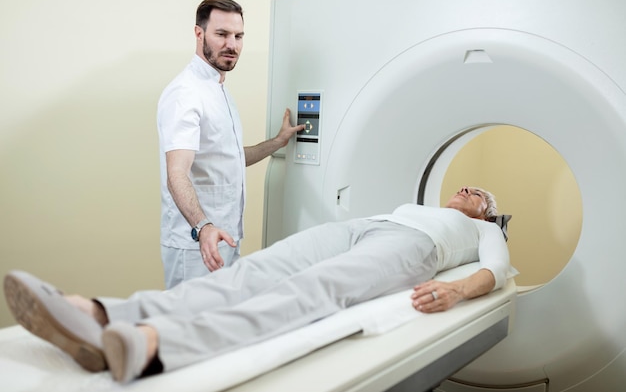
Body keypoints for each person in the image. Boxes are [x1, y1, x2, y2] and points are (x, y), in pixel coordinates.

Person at [4, 186, 513, 384]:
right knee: (253, 271)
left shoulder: (485, 230)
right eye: (465, 185)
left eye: (479, 194)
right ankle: (102, 315)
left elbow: (496, 272)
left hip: (411, 250)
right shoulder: (415, 203)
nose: (467, 190)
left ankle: (157, 347)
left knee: (313, 288)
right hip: (365, 226)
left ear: (488, 213)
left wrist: (458, 290)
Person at [157, 0, 304, 288]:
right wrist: (204, 227)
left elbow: (229, 157)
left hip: (224, 237)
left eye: (238, 36)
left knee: (219, 327)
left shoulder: (219, 89)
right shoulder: (186, 94)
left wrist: (277, 141)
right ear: (199, 34)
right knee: (192, 329)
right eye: (221, 34)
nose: (232, 45)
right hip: (197, 243)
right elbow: (176, 172)